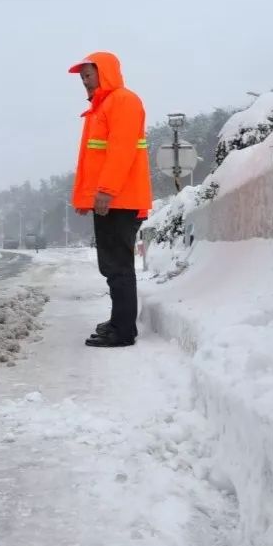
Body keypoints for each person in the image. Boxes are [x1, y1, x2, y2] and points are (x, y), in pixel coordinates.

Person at [69, 51, 153, 348]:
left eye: (88, 76)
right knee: (112, 265)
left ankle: (123, 331)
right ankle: (120, 320)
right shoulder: (103, 106)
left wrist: (105, 190)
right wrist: (87, 197)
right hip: (112, 200)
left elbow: (121, 151)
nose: (84, 82)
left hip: (120, 200)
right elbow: (93, 159)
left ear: (104, 73)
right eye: (82, 78)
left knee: (118, 266)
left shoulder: (123, 101)